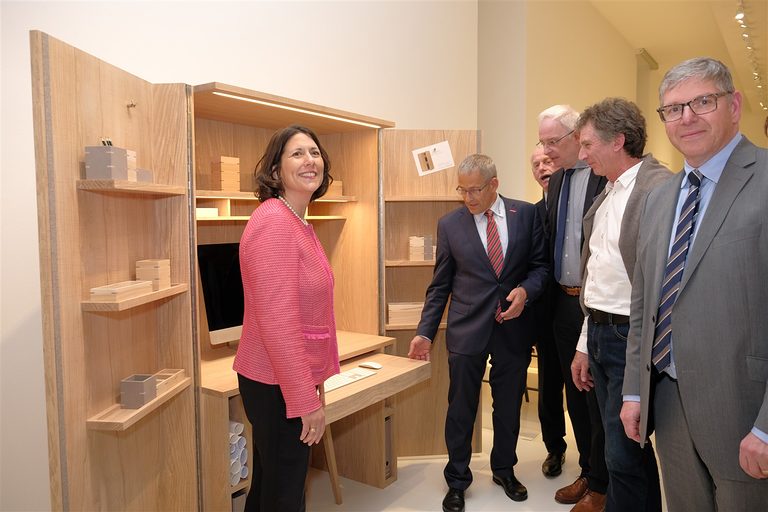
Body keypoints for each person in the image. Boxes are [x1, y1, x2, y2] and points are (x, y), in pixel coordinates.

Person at [620, 57, 768, 511]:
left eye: (703, 102)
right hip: (667, 404)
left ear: (734, 105)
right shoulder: (660, 197)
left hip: (744, 407)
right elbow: (645, 305)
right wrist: (634, 391)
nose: (687, 118)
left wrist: (767, 426)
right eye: (673, 109)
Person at [408, 153, 548, 512]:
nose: (467, 198)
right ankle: (457, 480)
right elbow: (440, 285)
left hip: (513, 328)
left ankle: (504, 470)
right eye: (462, 190)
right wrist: (425, 332)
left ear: (494, 184)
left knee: (508, 406)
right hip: (467, 328)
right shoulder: (450, 224)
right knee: (461, 408)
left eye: (474, 190)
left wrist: (526, 291)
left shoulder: (526, 214)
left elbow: (540, 267)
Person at [569, 98, 670, 512]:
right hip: (600, 331)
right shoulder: (608, 193)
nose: (581, 154)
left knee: (624, 453)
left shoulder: (659, 189)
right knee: (623, 450)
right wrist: (584, 343)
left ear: (618, 141)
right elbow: (599, 277)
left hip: (631, 335)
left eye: (587, 144)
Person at [234, 125, 340, 511]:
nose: (310, 160)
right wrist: (304, 400)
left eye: (314, 152)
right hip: (276, 383)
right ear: (276, 171)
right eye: (297, 154)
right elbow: (278, 322)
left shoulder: (295, 221)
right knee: (284, 496)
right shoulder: (275, 223)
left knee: (270, 488)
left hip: (282, 379)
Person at [538, 105, 609, 511]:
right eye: (542, 142)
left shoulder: (605, 175)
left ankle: (604, 481)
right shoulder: (558, 181)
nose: (546, 151)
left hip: (597, 305)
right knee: (576, 394)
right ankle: (588, 471)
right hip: (564, 303)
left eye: (553, 141)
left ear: (576, 135)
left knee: (600, 398)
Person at [530, 147, 569, 478]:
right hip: (544, 314)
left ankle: (593, 461)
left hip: (576, 310)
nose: (543, 167)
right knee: (549, 385)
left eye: (548, 161)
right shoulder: (531, 213)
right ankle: (554, 448)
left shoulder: (578, 204)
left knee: (582, 386)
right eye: (536, 164)